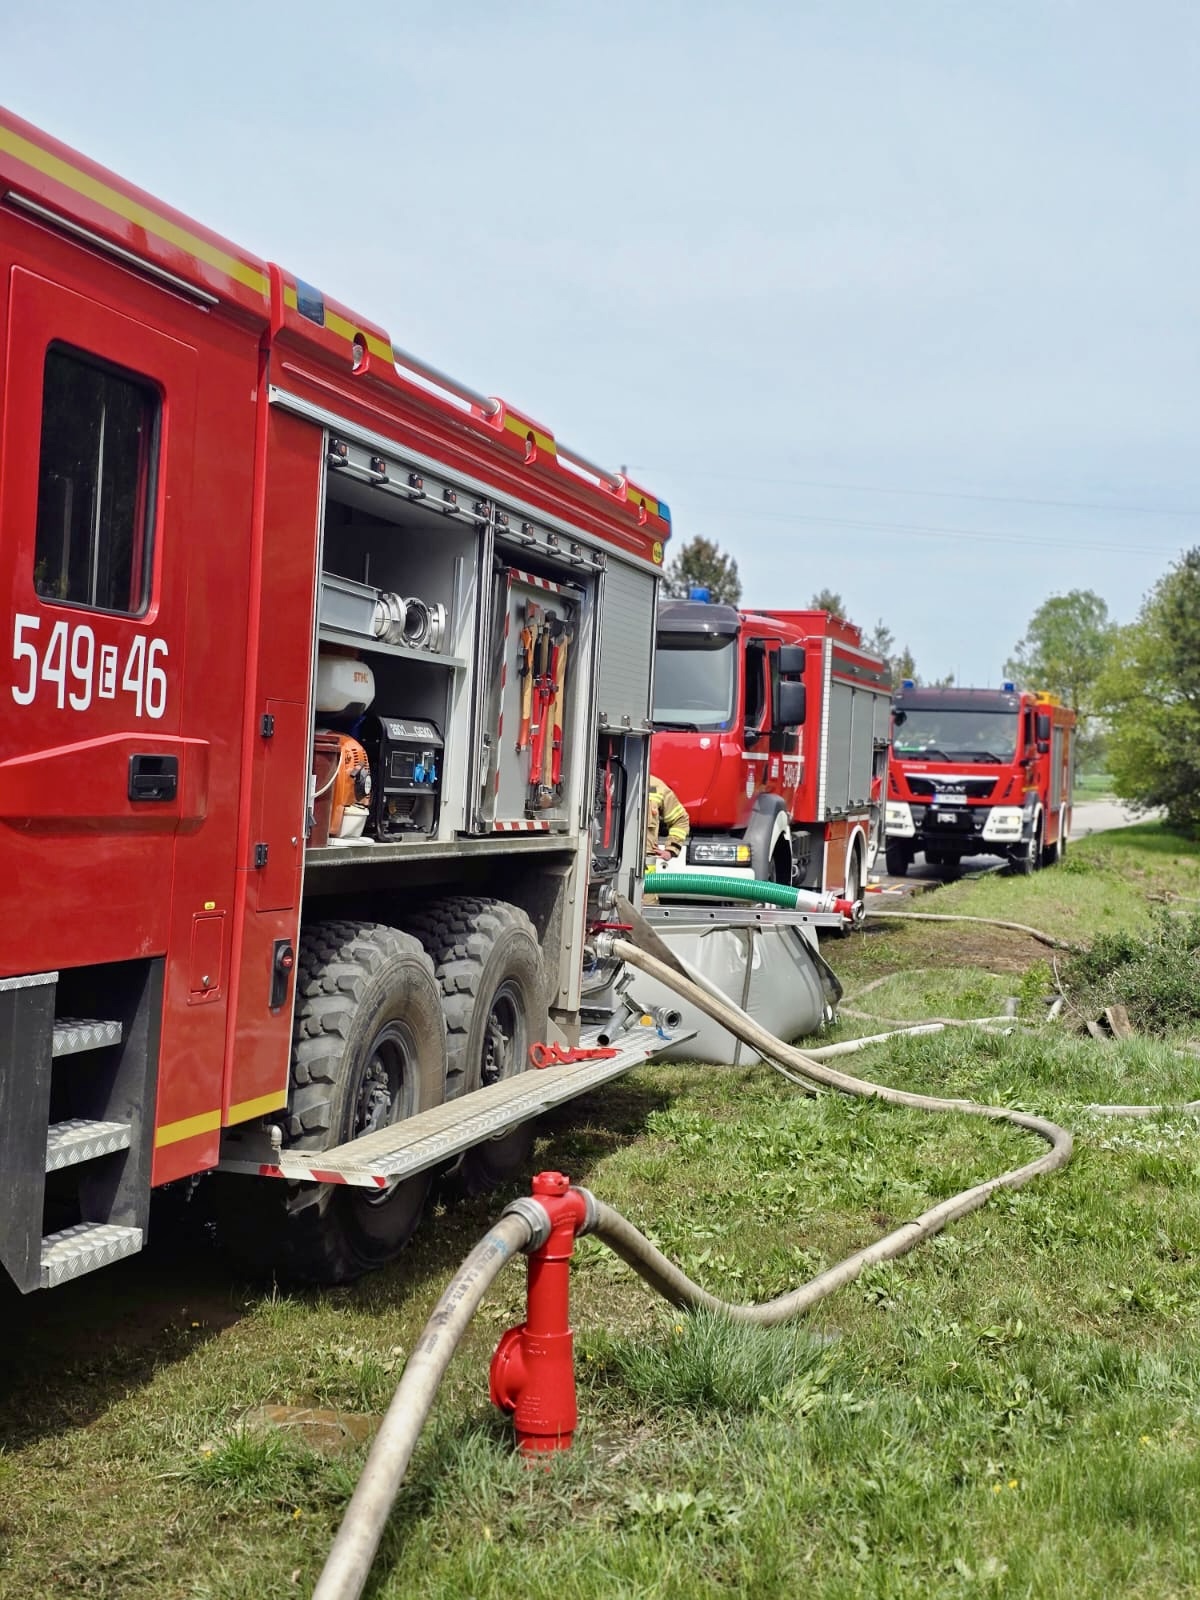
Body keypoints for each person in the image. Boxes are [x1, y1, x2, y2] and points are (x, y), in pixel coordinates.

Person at [645, 774, 690, 872]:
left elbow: (680, 819)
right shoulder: (612, 779)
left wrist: (671, 849)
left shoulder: (656, 786)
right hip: (611, 863)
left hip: (645, 867)